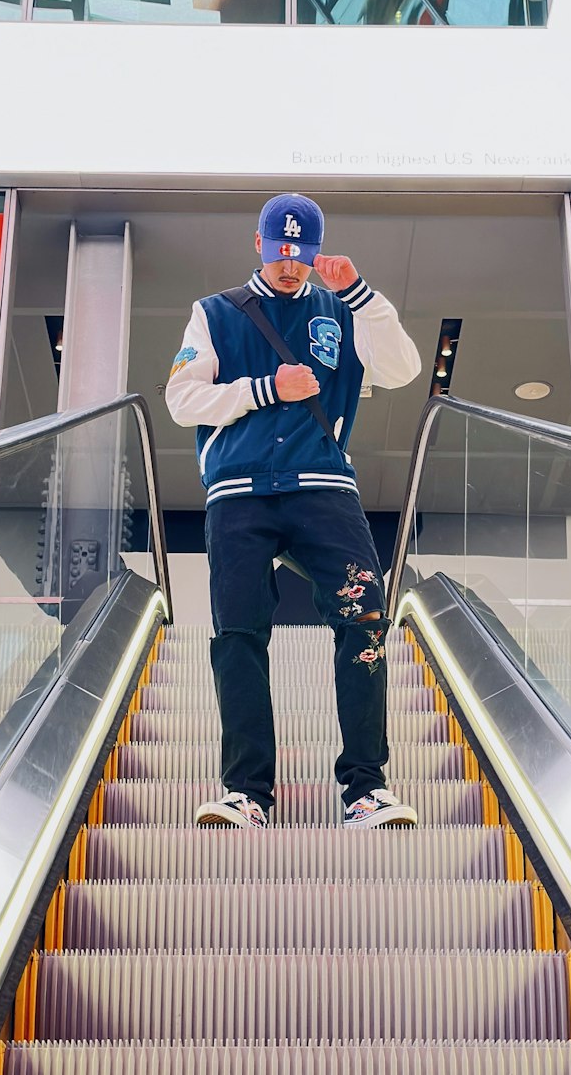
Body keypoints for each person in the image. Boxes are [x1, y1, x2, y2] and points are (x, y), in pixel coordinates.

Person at [165, 193, 422, 830]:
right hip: (239, 493)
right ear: (258, 244)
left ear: (314, 252)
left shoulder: (344, 308)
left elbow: (403, 369)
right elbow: (180, 398)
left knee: (364, 617)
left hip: (324, 487)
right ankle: (247, 791)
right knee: (239, 633)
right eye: (279, 253)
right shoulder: (216, 314)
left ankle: (367, 787)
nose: (288, 265)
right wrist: (265, 389)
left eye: (300, 255)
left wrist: (361, 293)